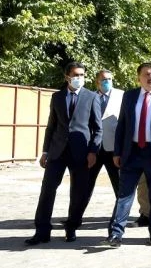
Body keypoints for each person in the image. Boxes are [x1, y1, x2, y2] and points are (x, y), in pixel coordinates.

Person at [101, 62, 151, 247]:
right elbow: (122, 125)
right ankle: (115, 234)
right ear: (139, 78)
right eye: (147, 74)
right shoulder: (130, 96)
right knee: (124, 194)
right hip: (132, 152)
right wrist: (117, 151)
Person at [25, 62, 102, 245]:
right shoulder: (57, 97)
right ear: (67, 76)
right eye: (76, 75)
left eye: (82, 75)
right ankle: (42, 231)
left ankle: (72, 227)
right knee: (47, 190)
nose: (79, 78)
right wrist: (45, 151)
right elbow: (51, 126)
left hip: (81, 152)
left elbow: (98, 129)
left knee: (78, 192)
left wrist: (93, 151)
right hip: (57, 152)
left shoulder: (91, 97)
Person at [82, 69, 123, 234]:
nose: (107, 82)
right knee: (85, 186)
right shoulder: (90, 97)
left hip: (115, 150)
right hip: (94, 149)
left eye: (110, 79)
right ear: (97, 81)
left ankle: (118, 222)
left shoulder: (122, 95)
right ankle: (75, 218)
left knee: (120, 188)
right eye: (104, 79)